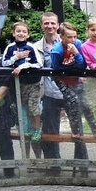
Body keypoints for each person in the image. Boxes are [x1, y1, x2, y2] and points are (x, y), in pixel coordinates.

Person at [50, 22, 91, 163]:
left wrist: (76, 53)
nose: (73, 40)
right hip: (61, 80)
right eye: (69, 37)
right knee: (73, 101)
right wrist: (73, 70)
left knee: (85, 104)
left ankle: (93, 129)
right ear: (61, 37)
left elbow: (83, 64)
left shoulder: (78, 44)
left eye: (74, 36)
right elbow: (56, 69)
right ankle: (76, 131)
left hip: (75, 79)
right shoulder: (56, 51)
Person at [1, 22, 43, 147]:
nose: (21, 34)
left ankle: (37, 130)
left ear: (28, 34)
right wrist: (16, 57)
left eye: (24, 32)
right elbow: (4, 63)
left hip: (33, 84)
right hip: (18, 85)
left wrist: (23, 66)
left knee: (33, 108)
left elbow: (39, 64)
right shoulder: (10, 47)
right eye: (18, 31)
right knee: (22, 110)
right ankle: (26, 133)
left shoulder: (31, 47)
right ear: (13, 33)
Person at [32, 12, 64, 165]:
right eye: (46, 23)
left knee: (78, 133)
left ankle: (82, 166)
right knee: (50, 132)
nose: (50, 26)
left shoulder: (67, 42)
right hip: (49, 94)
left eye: (53, 23)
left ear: (58, 25)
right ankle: (53, 164)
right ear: (41, 25)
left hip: (68, 92)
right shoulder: (36, 47)